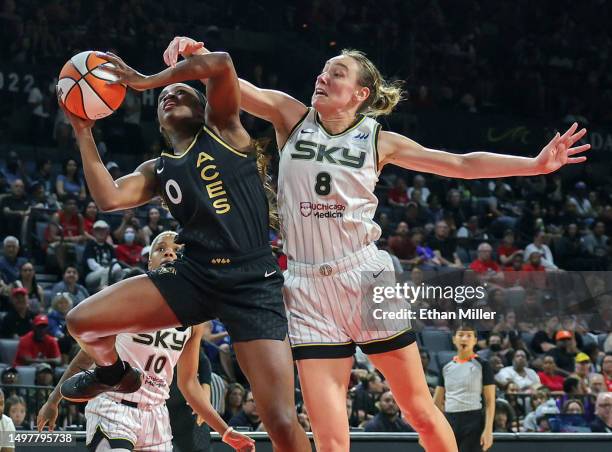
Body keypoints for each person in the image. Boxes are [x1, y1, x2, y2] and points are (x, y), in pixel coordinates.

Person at [164, 36, 589, 452]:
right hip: (306, 286)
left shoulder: (377, 139)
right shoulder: (290, 116)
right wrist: (198, 54)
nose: (322, 77)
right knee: (330, 439)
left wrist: (534, 165)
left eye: (337, 73)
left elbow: (459, 163)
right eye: (324, 70)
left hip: (365, 277)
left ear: (360, 93)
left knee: (418, 410)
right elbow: (230, 84)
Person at [57, 49, 310, 451]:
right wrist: (83, 131)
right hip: (195, 274)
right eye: (163, 98)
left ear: (203, 104)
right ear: (158, 121)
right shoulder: (157, 169)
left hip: (252, 280)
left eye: (181, 92)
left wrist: (145, 80)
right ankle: (113, 372)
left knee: (280, 420)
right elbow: (107, 197)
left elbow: (223, 63)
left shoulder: (223, 127)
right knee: (81, 322)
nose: (169, 96)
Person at [37, 231, 255, 451]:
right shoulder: (129, 301)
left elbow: (189, 383)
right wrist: (53, 400)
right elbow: (86, 357)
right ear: (150, 262)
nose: (169, 251)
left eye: (177, 250)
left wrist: (225, 431)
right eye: (161, 249)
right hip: (113, 406)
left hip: (156, 414)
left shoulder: (195, 319)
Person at [434, 325, 495, 452]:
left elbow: (490, 401)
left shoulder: (483, 365)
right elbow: (436, 402)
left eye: (469, 335)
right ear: (454, 339)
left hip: (474, 421)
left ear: (475, 340)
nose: (464, 339)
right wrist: (431, 429)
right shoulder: (445, 367)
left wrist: (488, 430)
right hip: (450, 421)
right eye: (461, 335)